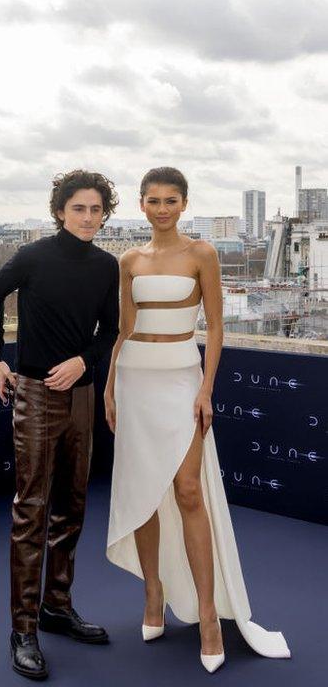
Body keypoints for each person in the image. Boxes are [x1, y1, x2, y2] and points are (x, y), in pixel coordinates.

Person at [104, 167, 290, 673]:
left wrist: (206, 390)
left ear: (184, 204)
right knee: (143, 495)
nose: (161, 208)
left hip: (182, 378)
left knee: (188, 492)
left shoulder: (202, 253)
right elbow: (124, 328)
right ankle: (153, 594)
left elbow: (215, 325)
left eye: (170, 200)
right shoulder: (129, 259)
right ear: (141, 205)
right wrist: (108, 384)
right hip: (135, 378)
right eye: (152, 200)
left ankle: (209, 615)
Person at [0, 169, 120, 681]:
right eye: (79, 208)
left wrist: (85, 362)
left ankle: (56, 608)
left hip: (81, 396)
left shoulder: (107, 266)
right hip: (37, 395)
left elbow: (110, 329)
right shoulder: (33, 256)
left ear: (105, 213)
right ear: (61, 211)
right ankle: (22, 630)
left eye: (96, 209)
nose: (88, 217)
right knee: (31, 511)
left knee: (73, 506)